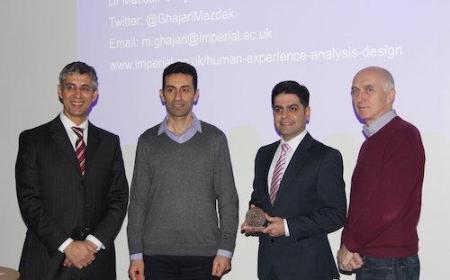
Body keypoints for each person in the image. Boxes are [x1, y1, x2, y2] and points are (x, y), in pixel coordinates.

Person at [15, 61, 129, 279]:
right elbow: (29, 200)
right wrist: (67, 245)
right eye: (71, 86)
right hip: (47, 261)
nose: (78, 94)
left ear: (94, 94)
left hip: (96, 262)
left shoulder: (109, 142)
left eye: (85, 88)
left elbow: (119, 198)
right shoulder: (33, 140)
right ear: (60, 91)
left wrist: (91, 244)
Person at [127, 61, 239, 280]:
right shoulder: (148, 141)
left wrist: (225, 250)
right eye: (171, 90)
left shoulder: (215, 139)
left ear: (196, 94)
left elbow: (228, 199)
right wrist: (135, 254)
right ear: (162, 94)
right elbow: (138, 201)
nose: (178, 97)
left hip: (204, 255)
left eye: (185, 90)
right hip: (155, 256)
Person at [241, 81, 347, 280]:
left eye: (292, 108)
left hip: (309, 267)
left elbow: (336, 214)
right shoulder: (263, 154)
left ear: (307, 113)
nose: (284, 116)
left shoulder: (325, 156)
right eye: (278, 109)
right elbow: (260, 199)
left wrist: (287, 226)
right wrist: (256, 217)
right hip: (268, 266)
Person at [337, 66, 425, 280]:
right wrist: (348, 244)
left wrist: (350, 245)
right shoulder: (372, 141)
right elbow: (360, 204)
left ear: (390, 96)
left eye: (369, 89)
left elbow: (388, 207)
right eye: (355, 91)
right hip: (374, 259)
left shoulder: (403, 136)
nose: (360, 97)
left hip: (390, 263)